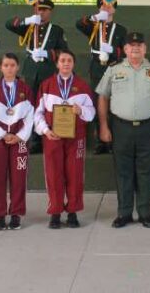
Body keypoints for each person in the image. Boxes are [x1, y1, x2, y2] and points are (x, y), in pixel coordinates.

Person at [96, 32, 150, 228]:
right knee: (123, 172)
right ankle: (124, 213)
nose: (136, 48)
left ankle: (145, 213)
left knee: (147, 172)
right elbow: (103, 97)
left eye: (139, 45)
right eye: (131, 45)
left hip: (148, 127)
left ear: (145, 48)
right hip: (121, 128)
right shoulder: (113, 69)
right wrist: (104, 126)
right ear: (125, 49)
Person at [34, 50, 96, 229]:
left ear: (74, 64)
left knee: (75, 173)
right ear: (57, 64)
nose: (66, 63)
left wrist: (81, 110)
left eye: (69, 60)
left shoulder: (82, 85)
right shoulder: (46, 85)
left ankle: (72, 212)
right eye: (63, 60)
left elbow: (91, 112)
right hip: (52, 137)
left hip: (76, 137)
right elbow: (38, 113)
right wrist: (45, 130)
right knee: (53, 173)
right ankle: (55, 212)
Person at [5, 0, 69, 154]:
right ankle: (34, 140)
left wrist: (47, 53)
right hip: (31, 71)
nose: (41, 12)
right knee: (31, 105)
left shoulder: (56, 30)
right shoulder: (28, 26)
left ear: (50, 12)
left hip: (48, 70)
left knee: (48, 105)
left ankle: (48, 136)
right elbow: (9, 24)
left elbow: (63, 51)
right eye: (39, 9)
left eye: (44, 10)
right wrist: (27, 20)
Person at [0, 53, 35, 231]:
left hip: (19, 140)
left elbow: (30, 115)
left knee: (19, 178)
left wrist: (20, 135)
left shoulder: (25, 89)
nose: (9, 68)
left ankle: (16, 214)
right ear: (0, 68)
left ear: (17, 67)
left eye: (12, 65)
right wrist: (1, 134)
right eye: (6, 65)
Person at [75, 0, 127, 155]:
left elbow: (125, 51)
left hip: (114, 69)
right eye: (103, 6)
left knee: (113, 106)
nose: (106, 8)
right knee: (98, 104)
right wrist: (95, 18)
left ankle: (112, 140)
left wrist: (113, 51)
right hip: (97, 69)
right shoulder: (93, 26)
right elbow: (79, 23)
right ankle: (100, 141)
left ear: (114, 9)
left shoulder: (121, 29)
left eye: (110, 5)